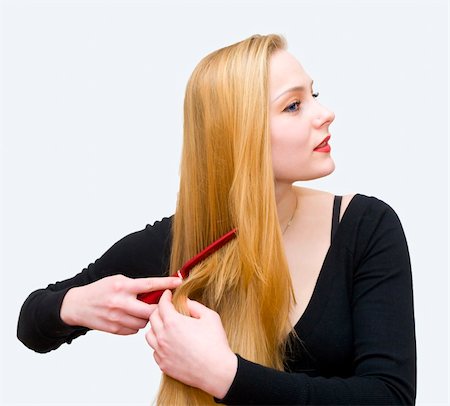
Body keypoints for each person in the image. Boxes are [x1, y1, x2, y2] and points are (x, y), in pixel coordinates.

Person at [17, 34, 416, 405]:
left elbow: (389, 397)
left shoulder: (366, 227)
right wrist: (73, 305)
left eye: (313, 95)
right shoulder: (182, 242)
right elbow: (31, 323)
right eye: (293, 106)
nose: (326, 114)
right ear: (237, 133)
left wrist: (226, 376)